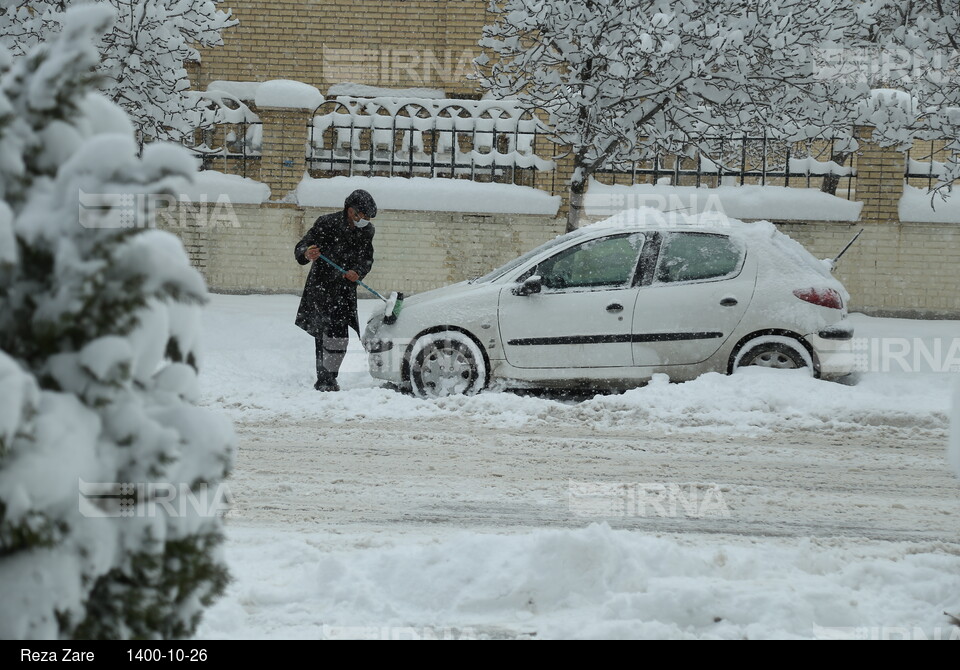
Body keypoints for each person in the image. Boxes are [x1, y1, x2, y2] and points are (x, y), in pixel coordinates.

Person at [294, 189, 377, 391]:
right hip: (321, 288)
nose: (366, 220)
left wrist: (357, 271)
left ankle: (331, 376)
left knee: (340, 337)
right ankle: (325, 380)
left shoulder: (366, 231)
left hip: (344, 291)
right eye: (363, 216)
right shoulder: (326, 223)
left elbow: (367, 258)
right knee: (323, 334)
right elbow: (302, 246)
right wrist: (307, 252)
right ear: (351, 211)